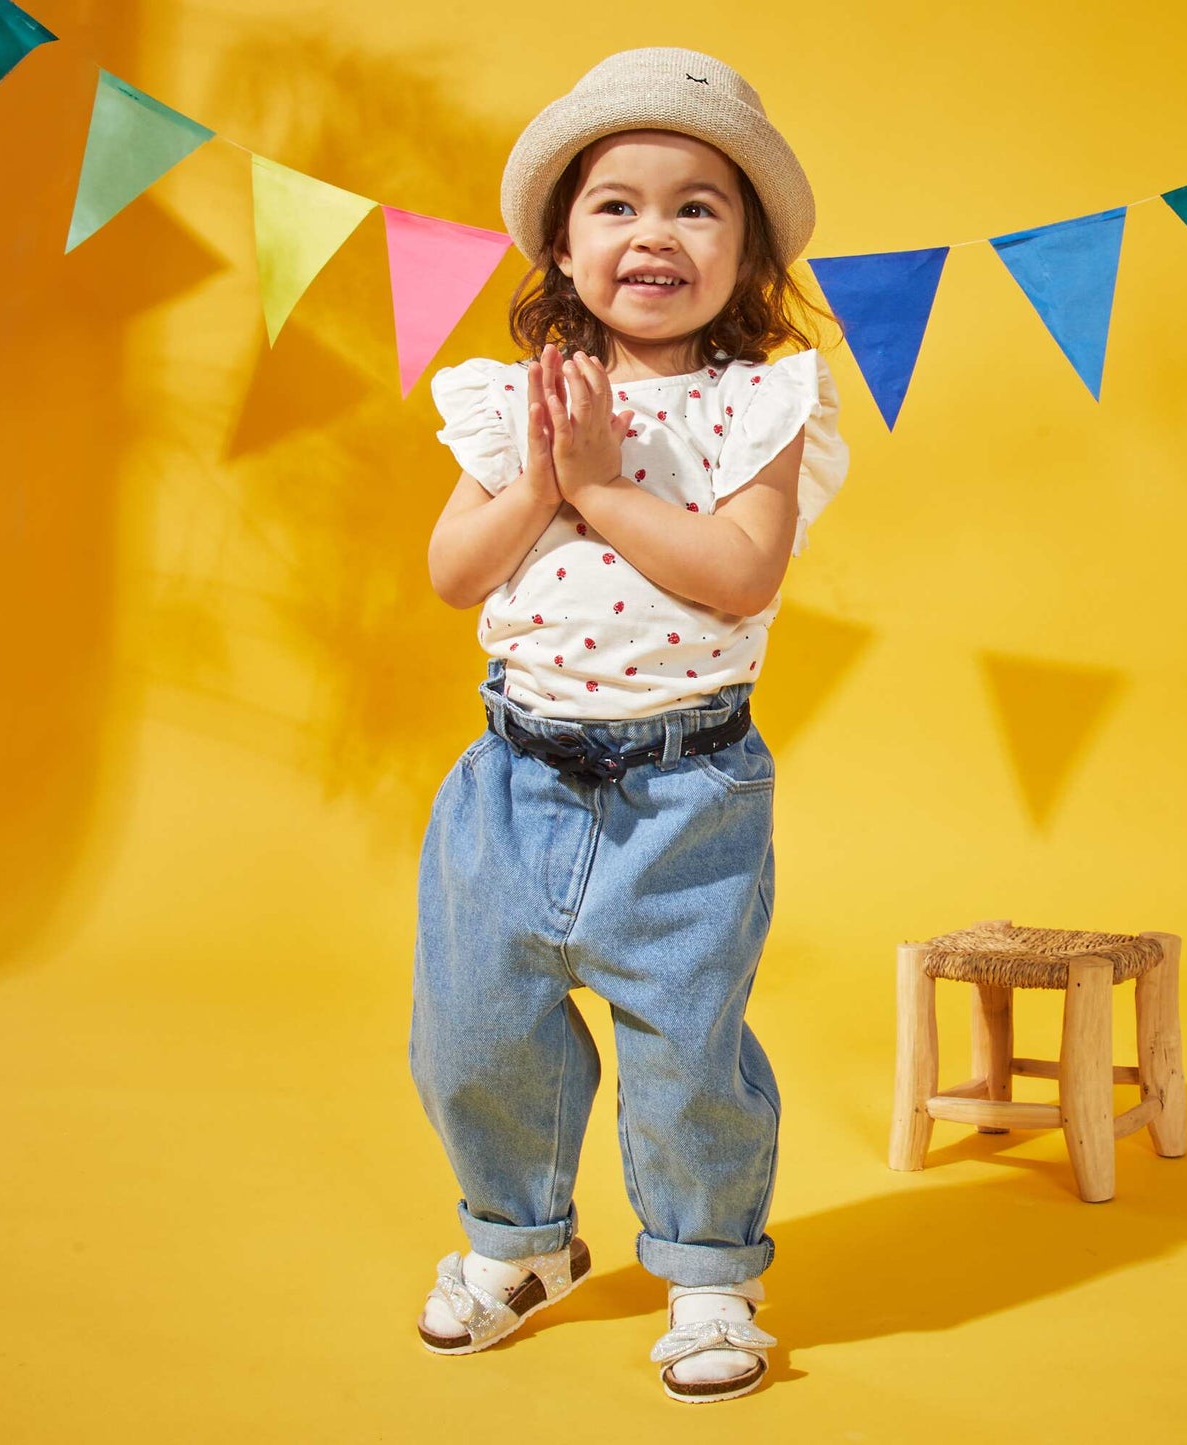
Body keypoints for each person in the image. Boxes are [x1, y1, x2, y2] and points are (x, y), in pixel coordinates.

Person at [409, 46, 849, 1404]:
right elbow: (454, 570)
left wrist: (598, 490)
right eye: (616, 203)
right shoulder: (516, 394)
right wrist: (543, 470)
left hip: (686, 790)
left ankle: (710, 1269)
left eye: (696, 206)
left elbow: (737, 573)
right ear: (559, 239)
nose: (653, 231)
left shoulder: (759, 399)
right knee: (475, 1033)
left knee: (686, 1044)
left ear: (748, 250)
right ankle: (519, 1242)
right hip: (512, 779)